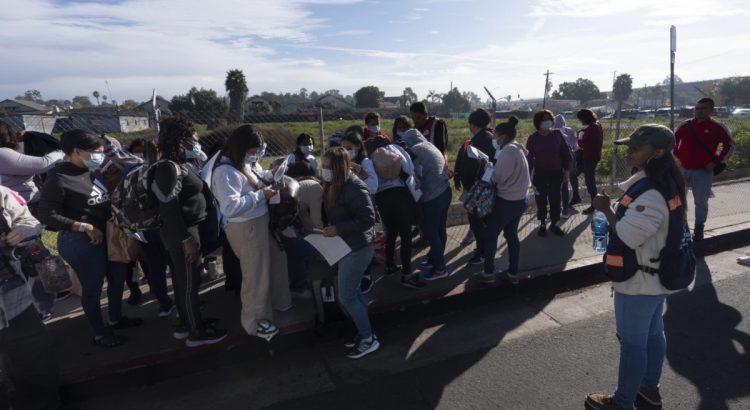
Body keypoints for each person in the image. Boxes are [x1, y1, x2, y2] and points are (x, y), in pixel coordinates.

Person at [585, 125, 686, 410]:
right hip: (654, 278)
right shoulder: (662, 182)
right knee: (654, 335)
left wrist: (605, 209)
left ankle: (623, 401)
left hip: (640, 281)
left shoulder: (651, 192)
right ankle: (649, 389)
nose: (629, 152)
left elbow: (628, 236)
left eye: (637, 148)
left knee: (632, 343)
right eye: (629, 146)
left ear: (658, 152)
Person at [38, 129, 141, 347]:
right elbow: (47, 215)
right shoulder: (59, 178)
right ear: (76, 151)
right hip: (81, 242)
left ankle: (115, 319)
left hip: (109, 237)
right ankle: (100, 333)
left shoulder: (90, 170)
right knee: (93, 288)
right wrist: (83, 226)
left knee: (118, 278)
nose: (100, 157)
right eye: (96, 152)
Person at [211, 124, 292, 341]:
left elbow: (254, 179)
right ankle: (255, 322)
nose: (255, 156)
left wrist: (271, 173)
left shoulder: (242, 165)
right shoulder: (225, 172)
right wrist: (260, 196)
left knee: (275, 261)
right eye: (252, 152)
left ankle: (276, 304)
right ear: (240, 148)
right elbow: (230, 207)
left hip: (259, 222)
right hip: (246, 227)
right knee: (255, 275)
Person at [152, 118, 226, 347]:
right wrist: (185, 239)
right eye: (193, 140)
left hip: (190, 231)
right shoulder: (167, 167)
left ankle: (188, 323)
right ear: (180, 141)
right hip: (184, 233)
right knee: (189, 283)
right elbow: (168, 208)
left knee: (185, 280)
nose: (197, 144)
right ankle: (196, 332)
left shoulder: (180, 164)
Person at [0, 185, 59, 409]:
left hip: (17, 303)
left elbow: (28, 220)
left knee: (38, 372)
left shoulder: (0, 194)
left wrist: (23, 231)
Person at [319, 147, 379, 359]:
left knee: (347, 297)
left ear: (338, 167)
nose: (323, 170)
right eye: (323, 166)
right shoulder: (335, 184)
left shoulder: (353, 187)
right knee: (352, 294)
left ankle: (368, 338)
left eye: (327, 167)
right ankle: (365, 333)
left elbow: (368, 219)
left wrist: (338, 229)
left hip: (357, 249)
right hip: (346, 246)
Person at [477, 116, 530, 284]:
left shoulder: (508, 151)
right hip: (521, 199)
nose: (494, 139)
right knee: (511, 234)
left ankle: (488, 272)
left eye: (496, 136)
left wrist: (489, 168)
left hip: (507, 201)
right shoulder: (518, 148)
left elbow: (498, 178)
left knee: (491, 234)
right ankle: (513, 273)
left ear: (503, 137)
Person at [674, 97, 735, 241]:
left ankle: (699, 228)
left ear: (711, 110)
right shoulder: (685, 125)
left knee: (700, 202)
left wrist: (715, 160)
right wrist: (675, 159)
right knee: (677, 200)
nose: (699, 111)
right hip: (682, 170)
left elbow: (723, 145)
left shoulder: (718, 128)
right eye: (697, 108)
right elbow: (673, 143)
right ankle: (680, 227)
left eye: (703, 109)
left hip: (703, 171)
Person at [401, 129, 452, 281]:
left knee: (431, 232)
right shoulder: (429, 145)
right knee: (440, 229)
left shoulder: (416, 150)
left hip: (432, 197)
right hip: (445, 191)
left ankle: (440, 268)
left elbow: (415, 175)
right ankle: (435, 259)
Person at [454, 108, 496, 264]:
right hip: (490, 187)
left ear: (473, 125)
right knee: (486, 221)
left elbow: (471, 168)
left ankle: (482, 252)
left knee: (477, 222)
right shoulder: (492, 138)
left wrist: (462, 180)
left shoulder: (476, 142)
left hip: (477, 190)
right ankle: (485, 249)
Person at [341, 131, 379, 293]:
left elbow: (373, 186)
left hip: (363, 208)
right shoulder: (341, 162)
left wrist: (358, 173)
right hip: (347, 209)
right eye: (343, 148)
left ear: (358, 147)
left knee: (365, 241)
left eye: (349, 148)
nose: (346, 151)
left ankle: (367, 275)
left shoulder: (365, 162)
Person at [0, 121, 64, 212]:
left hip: (12, 204)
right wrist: (59, 150)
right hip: (22, 205)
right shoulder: (2, 154)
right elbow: (44, 164)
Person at [526, 109, 572, 237]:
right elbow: (529, 159)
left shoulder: (557, 135)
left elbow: (566, 154)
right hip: (540, 174)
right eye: (544, 119)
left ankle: (554, 224)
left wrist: (567, 171)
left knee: (555, 199)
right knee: (541, 200)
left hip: (556, 173)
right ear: (538, 122)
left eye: (549, 119)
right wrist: (527, 177)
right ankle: (542, 224)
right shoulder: (533, 138)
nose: (548, 122)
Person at [576, 108, 604, 214]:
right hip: (593, 156)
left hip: (589, 157)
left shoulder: (593, 127)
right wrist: (584, 132)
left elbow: (583, 144)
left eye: (581, 119)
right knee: (583, 177)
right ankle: (579, 197)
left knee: (590, 182)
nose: (581, 122)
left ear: (585, 118)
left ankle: (594, 205)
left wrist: (579, 139)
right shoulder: (596, 125)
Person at [556, 113, 581, 218]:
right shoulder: (569, 130)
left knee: (555, 187)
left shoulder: (552, 132)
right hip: (568, 160)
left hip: (555, 162)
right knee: (565, 185)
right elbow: (575, 147)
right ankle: (565, 210)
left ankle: (555, 209)